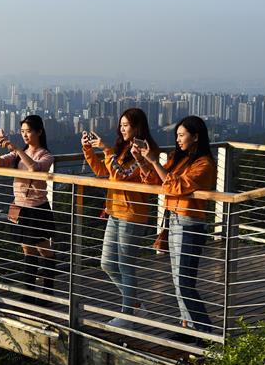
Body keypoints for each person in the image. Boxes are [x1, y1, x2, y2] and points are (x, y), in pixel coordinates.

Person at [136, 115, 216, 338]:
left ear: (196, 136)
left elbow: (176, 186)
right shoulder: (177, 159)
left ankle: (204, 331)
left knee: (185, 283)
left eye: (182, 135)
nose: (178, 139)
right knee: (177, 279)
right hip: (174, 221)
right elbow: (155, 181)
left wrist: (153, 161)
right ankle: (188, 327)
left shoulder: (204, 164)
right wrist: (144, 160)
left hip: (190, 224)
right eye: (177, 135)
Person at [82, 108, 159, 327]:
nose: (122, 128)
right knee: (107, 263)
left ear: (138, 127)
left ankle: (128, 315)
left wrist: (106, 149)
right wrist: (88, 150)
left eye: (126, 125)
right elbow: (103, 172)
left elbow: (122, 175)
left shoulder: (145, 150)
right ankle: (134, 304)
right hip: (114, 210)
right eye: (121, 125)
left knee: (126, 265)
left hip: (132, 214)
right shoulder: (122, 148)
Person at [0, 115, 56, 300]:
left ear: (39, 132)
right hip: (20, 207)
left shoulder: (46, 155)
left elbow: (35, 169)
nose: (25, 135)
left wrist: (17, 150)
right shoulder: (17, 153)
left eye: (28, 131)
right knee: (27, 249)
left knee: (44, 249)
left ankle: (47, 292)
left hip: (37, 208)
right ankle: (28, 292)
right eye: (22, 132)